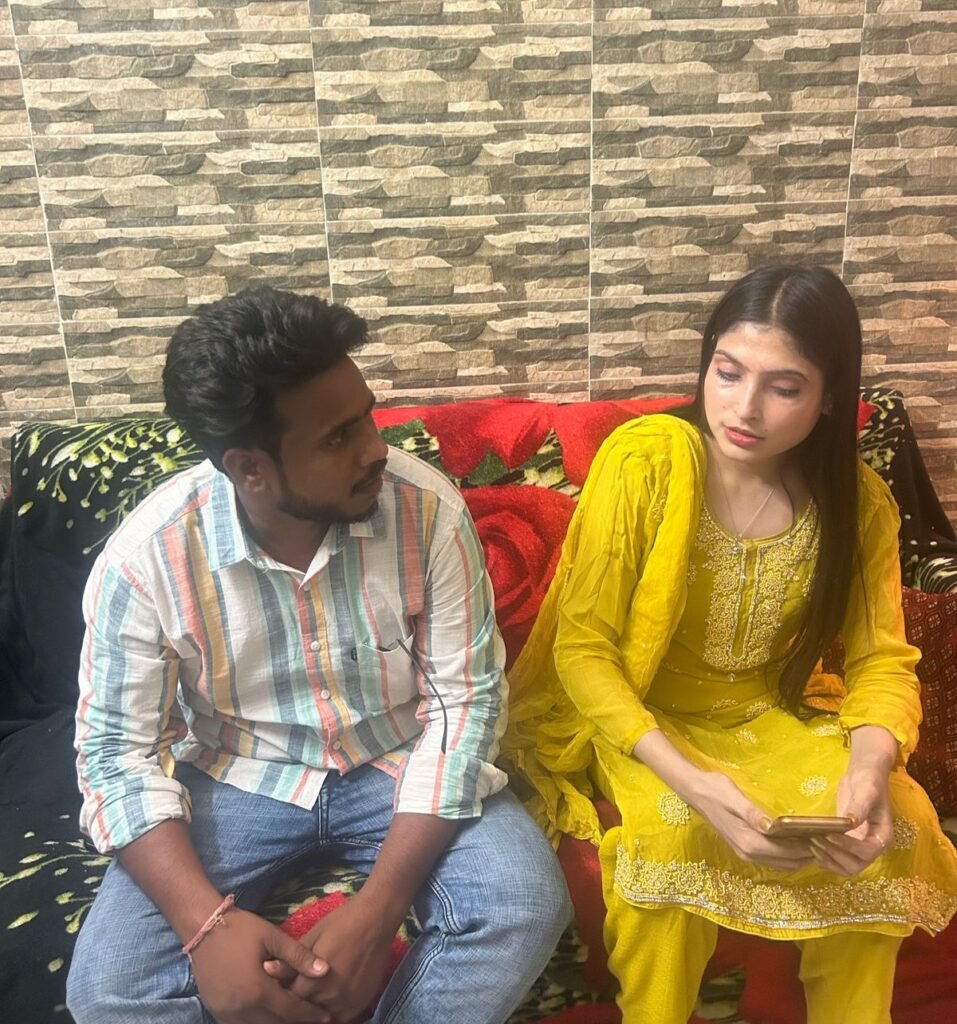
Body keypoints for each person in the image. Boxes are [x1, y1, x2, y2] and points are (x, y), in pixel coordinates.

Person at [66, 286, 571, 1024]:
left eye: (366, 415)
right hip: (238, 771)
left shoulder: (426, 509)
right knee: (110, 989)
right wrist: (206, 929)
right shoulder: (148, 558)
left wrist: (378, 910)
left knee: (522, 904)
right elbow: (116, 755)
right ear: (251, 469)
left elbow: (465, 703)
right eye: (338, 439)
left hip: (398, 755)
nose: (376, 449)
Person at [502, 265, 957, 1023]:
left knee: (895, 819)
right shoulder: (648, 462)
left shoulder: (857, 503)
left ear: (828, 398)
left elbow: (882, 660)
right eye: (728, 371)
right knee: (675, 833)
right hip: (640, 718)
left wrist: (870, 766)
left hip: (766, 714)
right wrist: (698, 785)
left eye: (784, 387)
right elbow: (585, 651)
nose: (743, 408)